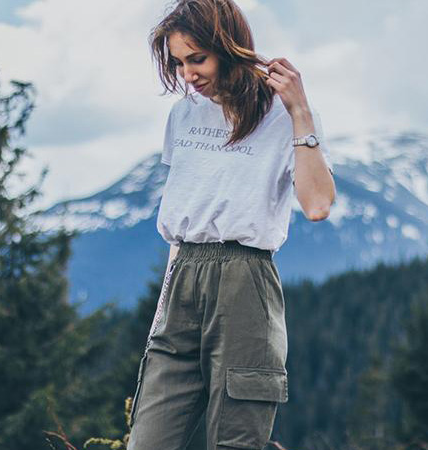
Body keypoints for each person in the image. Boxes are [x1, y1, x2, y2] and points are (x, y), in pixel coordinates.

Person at [128, 1, 335, 449]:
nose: (187, 74)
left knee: (236, 442)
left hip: (246, 280)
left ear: (228, 47)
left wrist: (300, 111)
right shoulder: (182, 115)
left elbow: (318, 204)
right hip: (182, 279)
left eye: (197, 58)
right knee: (149, 440)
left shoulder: (283, 117)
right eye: (178, 63)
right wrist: (164, 308)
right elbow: (186, 210)